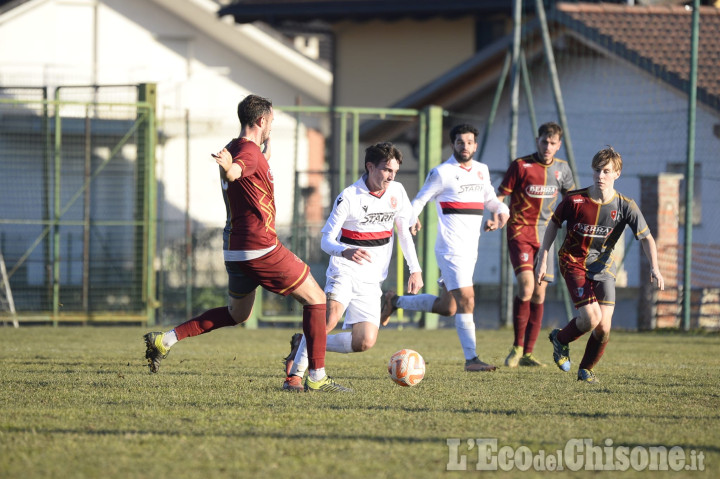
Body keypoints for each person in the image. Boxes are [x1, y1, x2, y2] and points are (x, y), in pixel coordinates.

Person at [143, 94, 350, 392]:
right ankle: (316, 378)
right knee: (317, 300)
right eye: (272, 122)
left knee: (236, 314)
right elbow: (238, 170)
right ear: (262, 121)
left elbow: (242, 172)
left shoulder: (235, 147)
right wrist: (232, 168)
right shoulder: (248, 154)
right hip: (261, 247)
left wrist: (247, 160)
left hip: (235, 249)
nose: (272, 127)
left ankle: (166, 340)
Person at [283, 142, 423, 391]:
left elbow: (404, 230)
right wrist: (344, 250)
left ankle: (303, 342)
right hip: (344, 269)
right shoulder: (349, 196)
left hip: (371, 279)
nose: (391, 176)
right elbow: (326, 239)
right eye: (386, 170)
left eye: (395, 171)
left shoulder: (397, 191)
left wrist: (415, 269)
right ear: (370, 167)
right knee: (329, 318)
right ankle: (295, 376)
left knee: (364, 342)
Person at [380, 124, 509, 371]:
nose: (465, 146)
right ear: (453, 145)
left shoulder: (481, 170)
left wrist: (501, 211)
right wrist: (410, 219)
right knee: (468, 299)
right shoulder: (442, 172)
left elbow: (490, 199)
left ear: (476, 145)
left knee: (448, 307)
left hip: (471, 249)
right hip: (451, 248)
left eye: (469, 142)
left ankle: (394, 301)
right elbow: (419, 200)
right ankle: (471, 360)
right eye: (460, 142)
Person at [536, 146, 664, 383]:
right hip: (573, 262)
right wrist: (543, 257)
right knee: (591, 318)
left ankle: (585, 370)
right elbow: (552, 224)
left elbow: (647, 237)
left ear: (617, 174)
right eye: (597, 170)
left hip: (604, 268)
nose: (600, 176)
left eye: (606, 171)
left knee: (603, 328)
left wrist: (655, 267)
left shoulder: (626, 206)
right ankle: (561, 340)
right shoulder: (574, 200)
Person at [486, 122, 575, 368]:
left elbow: (571, 201)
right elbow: (500, 195)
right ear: (538, 141)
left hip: (547, 237)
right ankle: (516, 347)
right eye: (544, 141)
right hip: (520, 232)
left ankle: (528, 353)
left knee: (539, 292)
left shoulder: (562, 169)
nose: (547, 146)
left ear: (558, 145)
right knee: (526, 287)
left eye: (553, 143)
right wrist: (496, 217)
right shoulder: (521, 165)